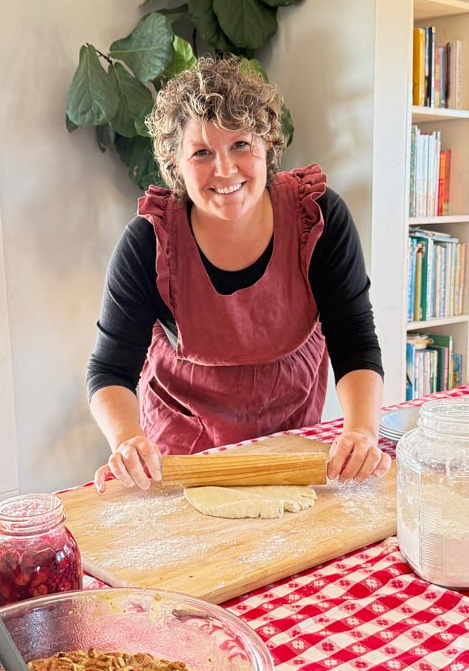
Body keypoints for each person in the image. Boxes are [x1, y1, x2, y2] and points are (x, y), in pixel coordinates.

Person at [87, 56, 390, 492]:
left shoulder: (318, 219)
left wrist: (361, 431)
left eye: (241, 145)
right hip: (184, 453)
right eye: (202, 152)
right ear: (176, 163)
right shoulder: (149, 243)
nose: (225, 170)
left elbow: (355, 342)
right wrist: (127, 439)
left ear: (268, 144)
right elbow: (110, 370)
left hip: (291, 441)